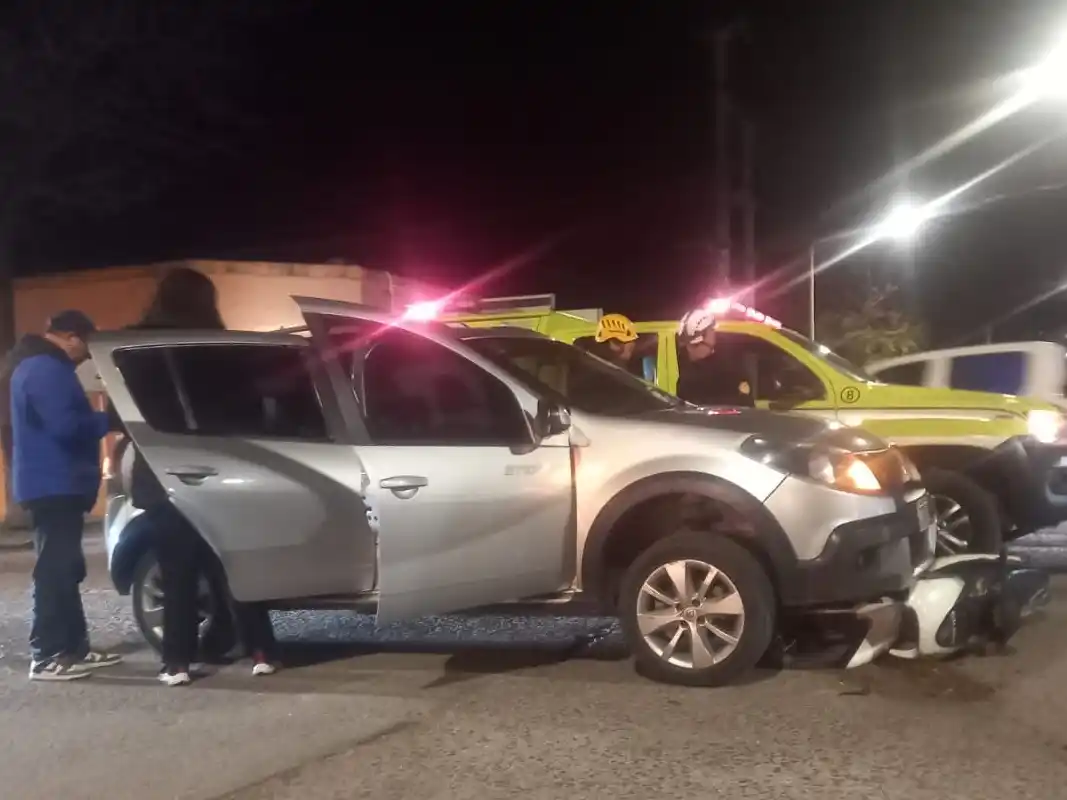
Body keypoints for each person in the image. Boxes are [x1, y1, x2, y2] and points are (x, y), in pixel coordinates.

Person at [121, 267, 279, 685]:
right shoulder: (221, 347)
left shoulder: (133, 349)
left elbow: (120, 417)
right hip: (221, 468)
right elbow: (253, 410)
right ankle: (261, 651)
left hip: (162, 473)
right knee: (236, 566)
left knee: (177, 574)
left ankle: (176, 664)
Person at [9, 310, 122, 680]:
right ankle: (45, 655)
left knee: (66, 568)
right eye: (87, 345)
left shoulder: (38, 366)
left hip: (54, 483)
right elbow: (66, 426)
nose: (87, 354)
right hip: (54, 484)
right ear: (72, 337)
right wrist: (110, 421)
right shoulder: (45, 369)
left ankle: (74, 648)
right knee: (55, 571)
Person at [675, 305, 753, 407]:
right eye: (711, 330)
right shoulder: (722, 373)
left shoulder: (686, 378)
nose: (714, 333)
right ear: (700, 337)